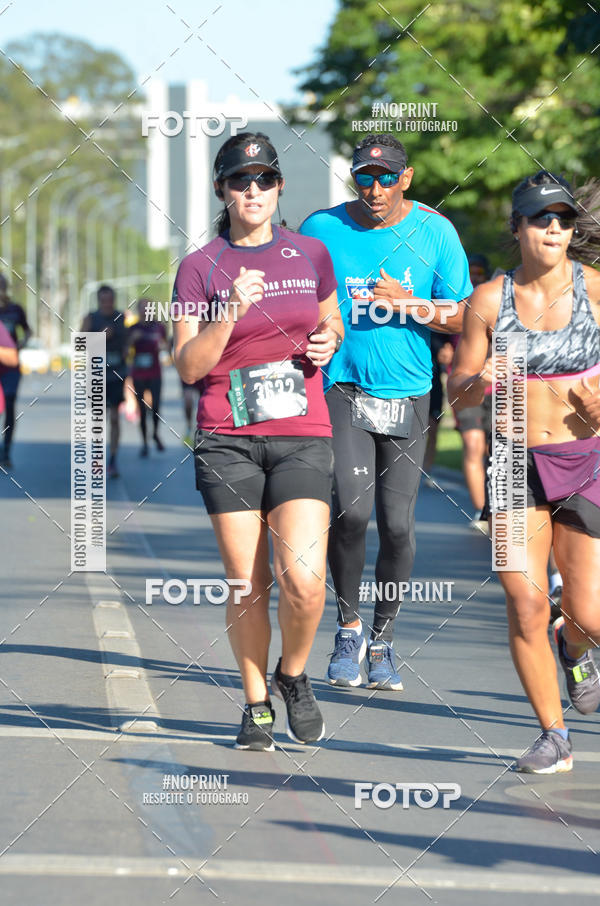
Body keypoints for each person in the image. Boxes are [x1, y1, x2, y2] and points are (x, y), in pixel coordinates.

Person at [171, 132, 343, 750]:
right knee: (248, 583)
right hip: (228, 439)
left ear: (279, 187)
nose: (253, 190)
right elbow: (187, 366)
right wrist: (228, 314)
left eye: (264, 179)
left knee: (305, 580)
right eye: (241, 181)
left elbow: (331, 318)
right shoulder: (200, 266)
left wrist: (329, 340)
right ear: (222, 189)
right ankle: (255, 705)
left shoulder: (311, 253)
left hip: (301, 432)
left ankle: (292, 675)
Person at [300, 134, 471, 690]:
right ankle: (348, 629)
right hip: (342, 387)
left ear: (407, 177)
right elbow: (295, 296)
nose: (375, 188)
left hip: (409, 393)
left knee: (397, 525)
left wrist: (410, 304)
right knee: (350, 514)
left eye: (387, 177)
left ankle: (383, 640)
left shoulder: (436, 231)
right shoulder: (322, 228)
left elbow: (465, 315)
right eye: (365, 177)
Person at [449, 170, 600, 774]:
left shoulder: (595, 289)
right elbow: (458, 389)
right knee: (525, 601)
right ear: (518, 228)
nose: (554, 229)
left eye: (563, 220)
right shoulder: (490, 300)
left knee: (588, 613)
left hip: (584, 460)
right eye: (541, 218)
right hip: (514, 461)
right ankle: (553, 735)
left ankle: (574, 646)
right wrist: (477, 382)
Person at [81, 285, 128, 478]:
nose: (107, 304)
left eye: (110, 300)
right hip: (97, 375)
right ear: (99, 301)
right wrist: (100, 337)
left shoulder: (121, 317)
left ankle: (113, 459)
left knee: (115, 418)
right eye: (103, 300)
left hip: (117, 374)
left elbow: (127, 342)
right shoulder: (91, 318)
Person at [128, 298, 168, 456]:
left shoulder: (159, 327)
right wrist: (132, 340)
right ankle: (144, 442)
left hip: (155, 372)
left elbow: (166, 346)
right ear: (138, 311)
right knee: (141, 408)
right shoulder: (133, 328)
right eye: (143, 308)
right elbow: (125, 349)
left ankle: (155, 433)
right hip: (138, 373)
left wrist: (163, 346)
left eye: (148, 308)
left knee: (156, 405)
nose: (145, 311)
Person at [0, 274, 32, 467]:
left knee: (9, 402)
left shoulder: (15, 310)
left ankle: (6, 450)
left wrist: (22, 343)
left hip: (11, 366)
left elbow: (27, 330)